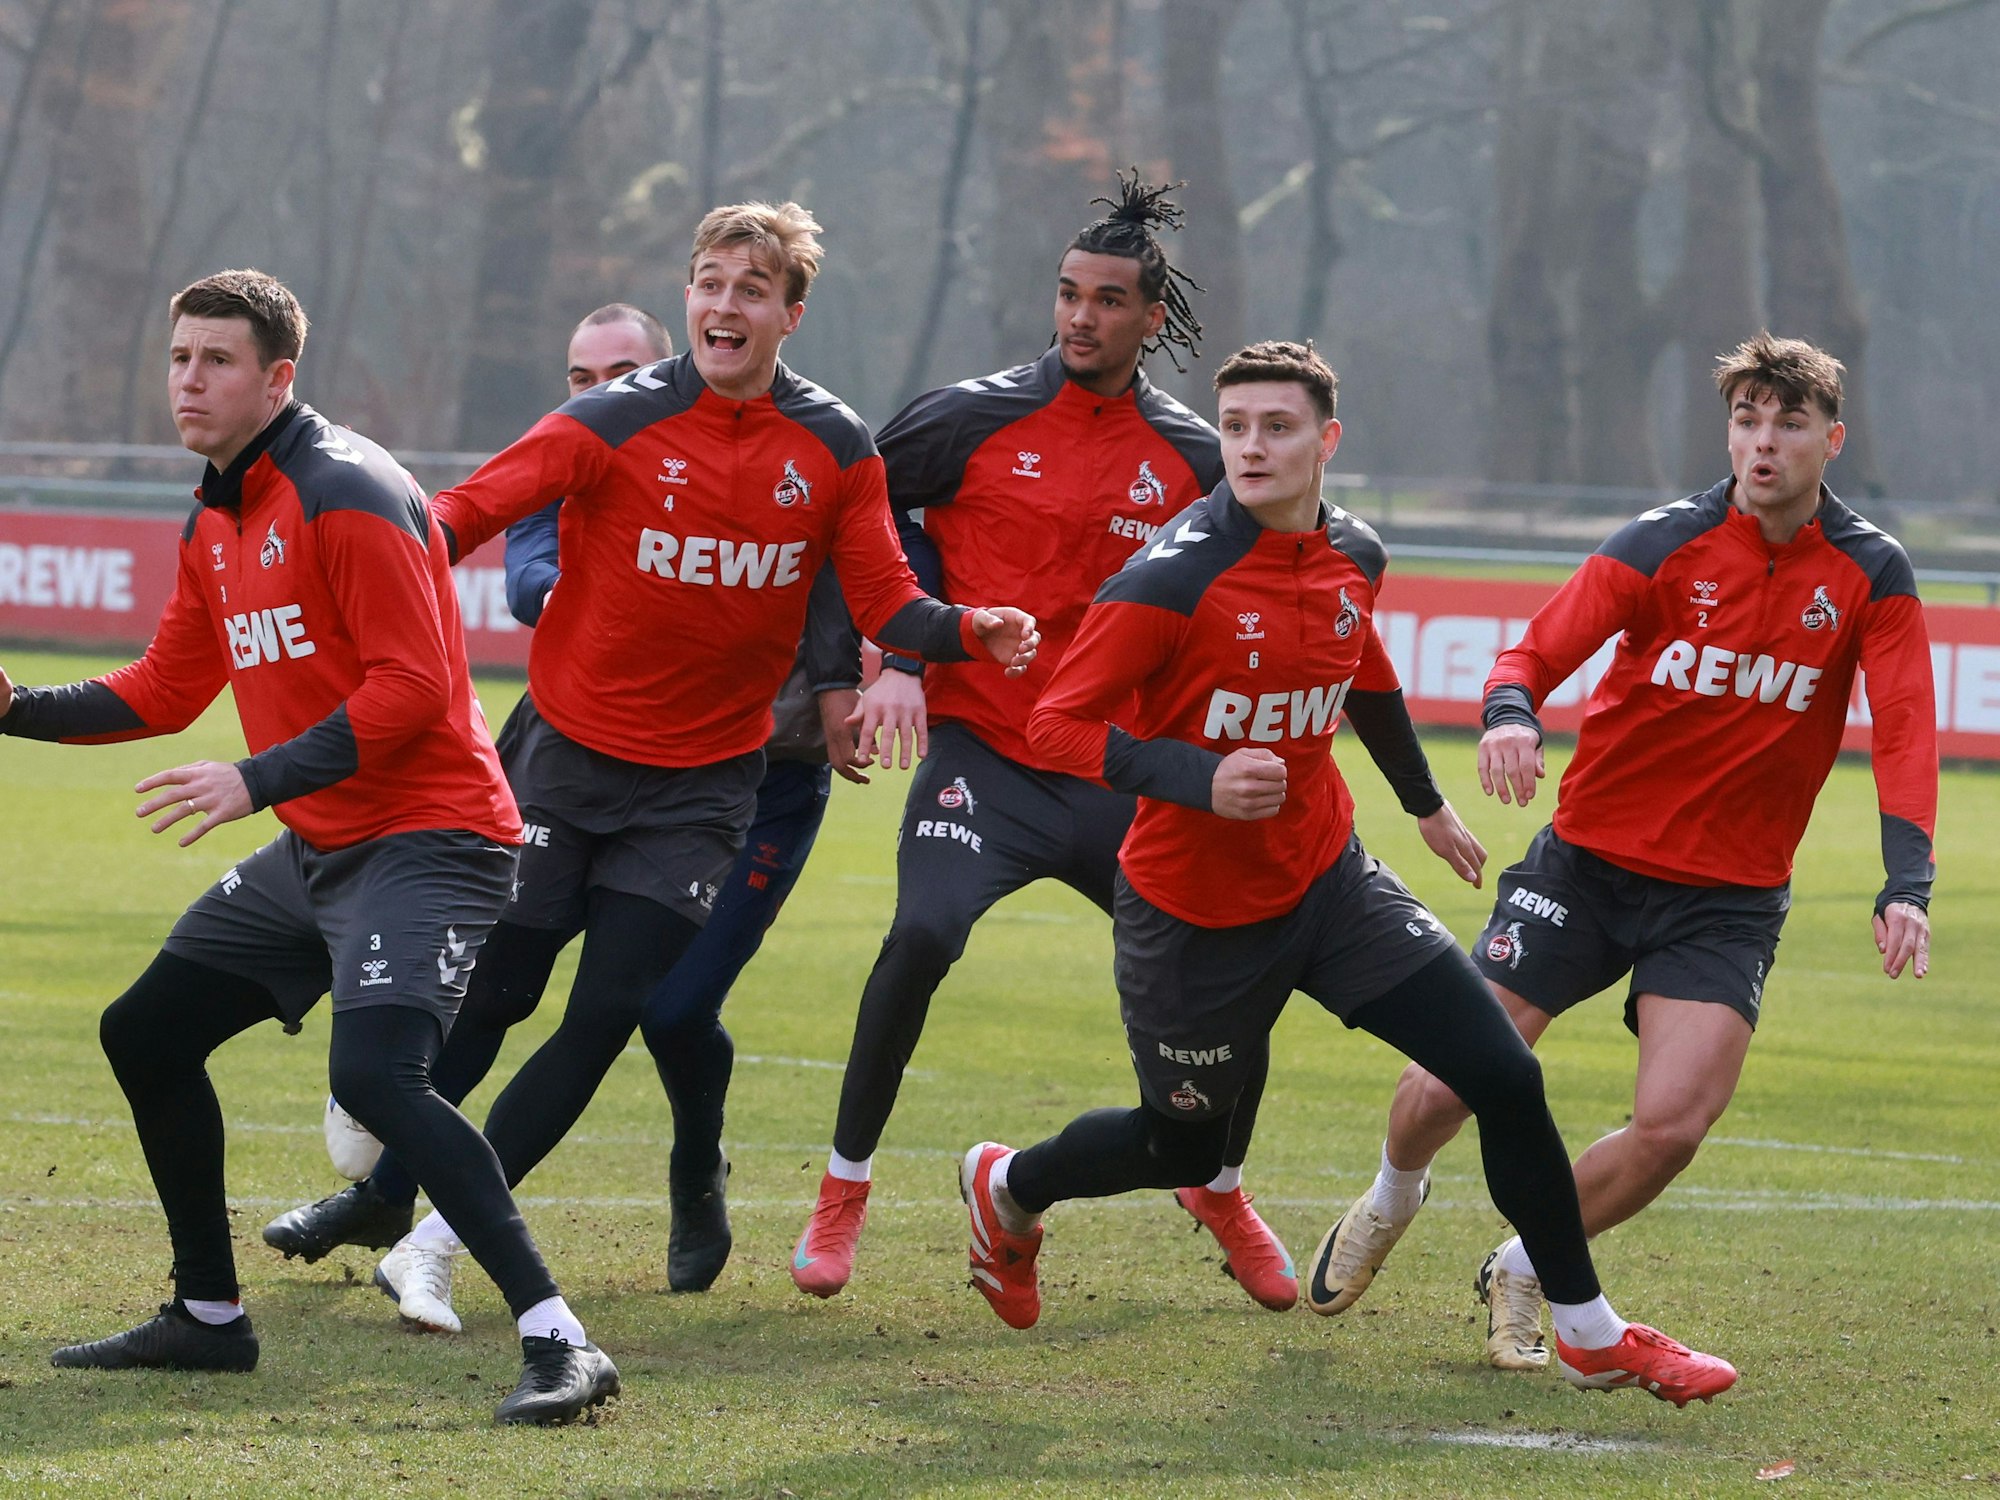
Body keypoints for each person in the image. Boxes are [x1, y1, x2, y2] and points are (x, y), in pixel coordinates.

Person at [260, 202, 1036, 1332]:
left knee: (608, 1012)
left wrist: (969, 632)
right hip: (563, 761)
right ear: (690, 296)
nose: (726, 306)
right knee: (502, 989)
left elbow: (884, 603)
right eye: (710, 283)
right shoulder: (608, 421)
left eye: (752, 290)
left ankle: (430, 1245)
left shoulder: (833, 447)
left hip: (705, 787)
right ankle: (372, 1114)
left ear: (790, 312)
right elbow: (456, 518)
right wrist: (341, 576)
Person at [958, 340, 1737, 1407]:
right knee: (1174, 1139)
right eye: (1233, 427)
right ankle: (1009, 1184)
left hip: (1328, 883)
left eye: (1274, 427)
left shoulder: (1353, 553)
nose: (1249, 447)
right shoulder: (1171, 577)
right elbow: (1051, 724)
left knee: (1501, 1075)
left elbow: (1359, 669)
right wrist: (1194, 774)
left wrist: (1421, 803)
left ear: (1325, 440)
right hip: (1193, 915)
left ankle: (1587, 1329)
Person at [3, 269, 616, 1424]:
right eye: (179, 357)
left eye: (216, 360)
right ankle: (208, 1320)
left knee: (376, 1077)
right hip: (322, 845)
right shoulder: (216, 513)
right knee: (147, 1031)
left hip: (432, 838)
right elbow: (167, 686)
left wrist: (256, 779)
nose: (189, 379)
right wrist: (14, 707)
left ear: (278, 376)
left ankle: (560, 1340)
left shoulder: (344, 489)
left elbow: (415, 687)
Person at [1307, 331, 1936, 1375]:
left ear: (1830, 439)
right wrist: (1509, 713)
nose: (1761, 443)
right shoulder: (1661, 542)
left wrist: (1904, 881)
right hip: (1585, 869)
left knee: (1672, 1124)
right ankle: (1388, 1195)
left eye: (1785, 424)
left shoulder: (1869, 571)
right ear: (1727, 432)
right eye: (1744, 420)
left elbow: (1906, 728)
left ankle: (1522, 1264)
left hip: (1724, 899)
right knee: (1447, 1084)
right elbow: (1531, 650)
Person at [790, 174, 1292, 1312]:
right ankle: (841, 1189)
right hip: (988, 758)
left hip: (1117, 774)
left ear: (1149, 321)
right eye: (1067, 294)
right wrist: (893, 664)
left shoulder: (1198, 461)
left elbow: (1249, 597)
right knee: (920, 931)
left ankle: (1215, 1183)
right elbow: (852, 523)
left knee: (1236, 968)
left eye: (1107, 301)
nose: (1079, 317)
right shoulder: (965, 418)